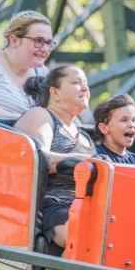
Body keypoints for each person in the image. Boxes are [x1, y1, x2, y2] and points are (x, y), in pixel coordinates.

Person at [15, 65, 95, 253]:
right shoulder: (42, 115)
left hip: (86, 205)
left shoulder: (83, 133)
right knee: (84, 237)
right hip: (53, 203)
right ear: (55, 93)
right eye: (76, 83)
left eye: (86, 83)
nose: (85, 88)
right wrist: (79, 159)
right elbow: (38, 158)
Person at [93, 93, 135, 164]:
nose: (131, 125)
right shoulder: (95, 154)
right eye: (124, 120)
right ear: (104, 128)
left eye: (133, 120)